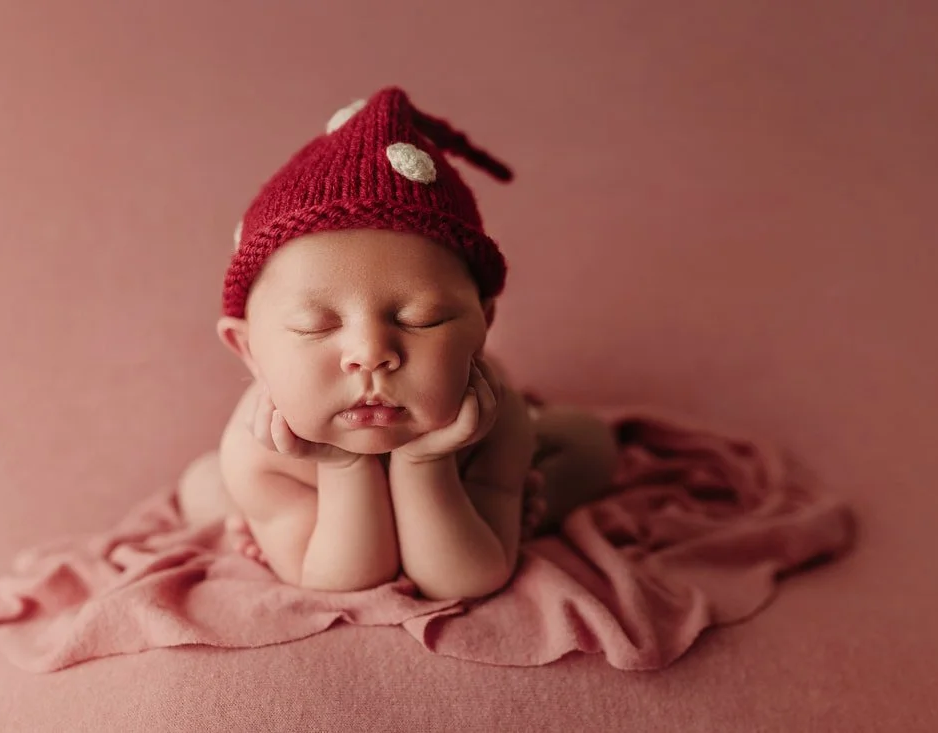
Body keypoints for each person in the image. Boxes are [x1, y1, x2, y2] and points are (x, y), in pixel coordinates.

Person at [177, 87, 617, 601]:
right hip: (303, 492)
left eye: (421, 320)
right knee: (202, 488)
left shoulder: (494, 422)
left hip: (466, 463)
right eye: (316, 326)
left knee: (591, 443)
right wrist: (342, 464)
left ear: (483, 327)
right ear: (248, 350)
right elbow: (344, 579)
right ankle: (268, 522)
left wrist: (426, 461)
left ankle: (520, 503)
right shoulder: (262, 450)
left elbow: (464, 579)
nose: (370, 353)